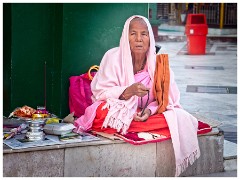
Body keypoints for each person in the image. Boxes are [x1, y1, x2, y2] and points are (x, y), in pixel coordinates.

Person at [74, 15, 200, 176]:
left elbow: (167, 100)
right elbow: (100, 93)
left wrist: (149, 111)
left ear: (150, 38)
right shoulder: (112, 57)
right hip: (117, 110)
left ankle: (130, 125)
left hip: (143, 116)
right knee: (101, 114)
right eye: (133, 34)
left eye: (144, 34)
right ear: (126, 37)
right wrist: (128, 91)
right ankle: (132, 124)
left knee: (180, 117)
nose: (139, 39)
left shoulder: (158, 64)